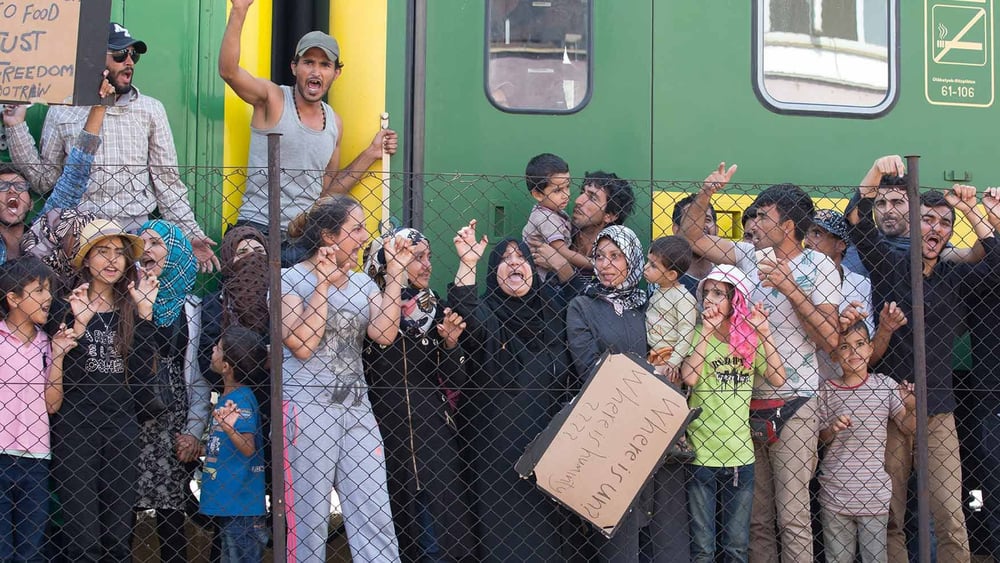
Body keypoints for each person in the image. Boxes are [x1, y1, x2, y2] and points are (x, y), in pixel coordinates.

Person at [681, 163, 841, 563]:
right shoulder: (748, 255)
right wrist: (706, 193)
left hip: (796, 401)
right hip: (746, 401)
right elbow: (692, 237)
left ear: (787, 226)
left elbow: (830, 339)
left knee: (793, 516)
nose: (753, 223)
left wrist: (789, 287)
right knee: (756, 519)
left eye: (763, 217)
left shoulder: (819, 266)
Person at [845, 161, 1000, 562]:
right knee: (890, 515)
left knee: (950, 516)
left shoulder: (955, 278)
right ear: (913, 226)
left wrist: (971, 211)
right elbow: (856, 220)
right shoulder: (889, 265)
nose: (935, 228)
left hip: (939, 410)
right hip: (890, 408)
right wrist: (876, 170)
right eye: (928, 220)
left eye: (944, 223)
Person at [4, 24, 219, 272]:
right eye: (119, 55)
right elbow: (44, 181)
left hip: (134, 234)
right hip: (81, 236)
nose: (129, 62)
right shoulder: (63, 111)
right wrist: (15, 127)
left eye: (133, 55)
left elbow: (167, 182)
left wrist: (190, 233)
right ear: (94, 59)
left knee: (134, 295)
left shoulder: (150, 110)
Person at [279, 195, 410, 562]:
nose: (364, 236)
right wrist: (322, 285)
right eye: (356, 229)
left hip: (356, 411)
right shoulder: (290, 280)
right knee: (308, 519)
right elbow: (302, 345)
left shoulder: (361, 284)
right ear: (328, 236)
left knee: (374, 511)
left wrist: (395, 275)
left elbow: (384, 333)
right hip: (306, 412)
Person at [219, 0, 399, 246]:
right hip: (257, 228)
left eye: (325, 65)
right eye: (308, 62)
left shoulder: (334, 123)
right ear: (295, 67)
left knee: (328, 264)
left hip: (302, 236)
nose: (316, 71)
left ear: (336, 73)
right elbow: (229, 71)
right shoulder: (273, 98)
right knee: (250, 259)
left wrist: (371, 153)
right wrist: (240, 9)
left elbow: (327, 192)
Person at [449, 221, 577, 562]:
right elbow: (466, 310)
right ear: (494, 273)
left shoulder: (554, 314)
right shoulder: (489, 314)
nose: (515, 263)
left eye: (521, 258)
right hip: (494, 448)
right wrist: (467, 263)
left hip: (548, 445)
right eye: (505, 259)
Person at [565, 225, 689, 562]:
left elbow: (673, 350)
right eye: (599, 256)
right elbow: (589, 366)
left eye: (616, 256)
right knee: (620, 537)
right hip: (612, 432)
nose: (605, 265)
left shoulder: (652, 303)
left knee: (666, 534)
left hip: (657, 428)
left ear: (632, 260)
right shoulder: (582, 306)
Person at [47, 219, 159, 561]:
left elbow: (142, 378)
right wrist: (80, 325)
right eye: (102, 251)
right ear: (85, 259)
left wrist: (145, 314)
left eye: (119, 253)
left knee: (117, 534)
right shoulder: (64, 306)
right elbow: (66, 378)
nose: (112, 260)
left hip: (122, 425)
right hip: (75, 426)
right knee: (83, 536)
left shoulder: (132, 305)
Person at [362, 227, 474, 562]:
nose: (427, 265)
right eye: (416, 257)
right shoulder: (368, 306)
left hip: (432, 430)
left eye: (428, 257)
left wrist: (451, 344)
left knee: (440, 525)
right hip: (383, 429)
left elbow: (455, 378)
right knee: (396, 519)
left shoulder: (434, 307)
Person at [681, 265, 787, 563]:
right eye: (707, 292)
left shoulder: (749, 338)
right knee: (703, 548)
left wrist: (765, 333)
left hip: (740, 455)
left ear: (735, 299)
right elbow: (690, 377)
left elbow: (778, 377)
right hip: (702, 453)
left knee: (737, 547)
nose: (709, 299)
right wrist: (706, 333)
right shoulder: (698, 334)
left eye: (719, 293)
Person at [132, 220, 211, 563]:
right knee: (123, 505)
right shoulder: (127, 299)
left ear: (176, 252)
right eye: (142, 243)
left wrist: (193, 430)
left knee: (171, 509)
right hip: (131, 414)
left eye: (156, 243)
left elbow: (198, 378)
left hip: (171, 418)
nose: (146, 250)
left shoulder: (192, 309)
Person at [817, 321, 913, 563]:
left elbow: (906, 426)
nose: (853, 352)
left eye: (860, 344)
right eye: (845, 347)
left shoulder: (884, 385)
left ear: (871, 349)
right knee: (837, 558)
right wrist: (833, 428)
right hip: (835, 493)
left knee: (875, 558)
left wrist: (912, 406)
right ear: (834, 355)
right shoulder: (828, 390)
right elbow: (820, 437)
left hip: (873, 494)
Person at [0, 257, 76, 561]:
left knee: (30, 550)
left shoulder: (48, 344)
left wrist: (58, 355)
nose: (48, 298)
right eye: (39, 290)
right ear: (13, 298)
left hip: (36, 458)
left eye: (50, 291)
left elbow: (52, 405)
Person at [201, 326, 269, 563]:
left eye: (218, 348)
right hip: (232, 506)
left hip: (242, 508)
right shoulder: (228, 398)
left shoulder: (240, 401)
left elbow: (248, 447)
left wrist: (229, 428)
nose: (213, 349)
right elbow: (225, 446)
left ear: (226, 366)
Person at [803, 209, 874, 381]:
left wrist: (843, 328)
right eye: (806, 233)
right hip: (805, 380)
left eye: (817, 234)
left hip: (845, 383)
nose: (807, 241)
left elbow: (866, 341)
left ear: (840, 245)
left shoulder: (861, 284)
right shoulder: (796, 279)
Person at [530, 171, 636, 284]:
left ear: (609, 216)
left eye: (592, 198)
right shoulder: (560, 231)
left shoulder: (616, 256)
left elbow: (593, 295)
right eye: (582, 192)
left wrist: (561, 265)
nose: (578, 201)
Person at [521, 153, 589, 277]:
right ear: (538, 194)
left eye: (567, 186)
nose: (566, 195)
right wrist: (594, 264)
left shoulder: (555, 211)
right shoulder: (545, 218)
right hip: (543, 279)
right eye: (558, 190)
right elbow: (562, 251)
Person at [644, 235, 697, 381]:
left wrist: (674, 361)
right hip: (652, 352)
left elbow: (687, 329)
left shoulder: (682, 298)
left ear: (671, 274)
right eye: (648, 261)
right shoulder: (658, 290)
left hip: (669, 356)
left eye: (653, 266)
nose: (646, 267)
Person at [670, 195, 718, 294]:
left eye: (707, 219)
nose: (700, 225)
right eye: (691, 220)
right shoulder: (664, 276)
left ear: (717, 229)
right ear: (676, 229)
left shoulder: (727, 272)